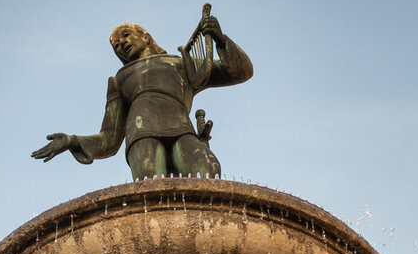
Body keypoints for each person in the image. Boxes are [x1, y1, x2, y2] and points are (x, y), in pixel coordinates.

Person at [31, 14, 252, 180]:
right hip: (141, 135)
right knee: (151, 190)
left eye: (125, 36)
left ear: (145, 37)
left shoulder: (179, 63)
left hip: (182, 129)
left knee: (208, 172)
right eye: (116, 46)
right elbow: (109, 138)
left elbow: (239, 72)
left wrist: (221, 41)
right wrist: (73, 141)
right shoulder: (119, 79)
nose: (121, 45)